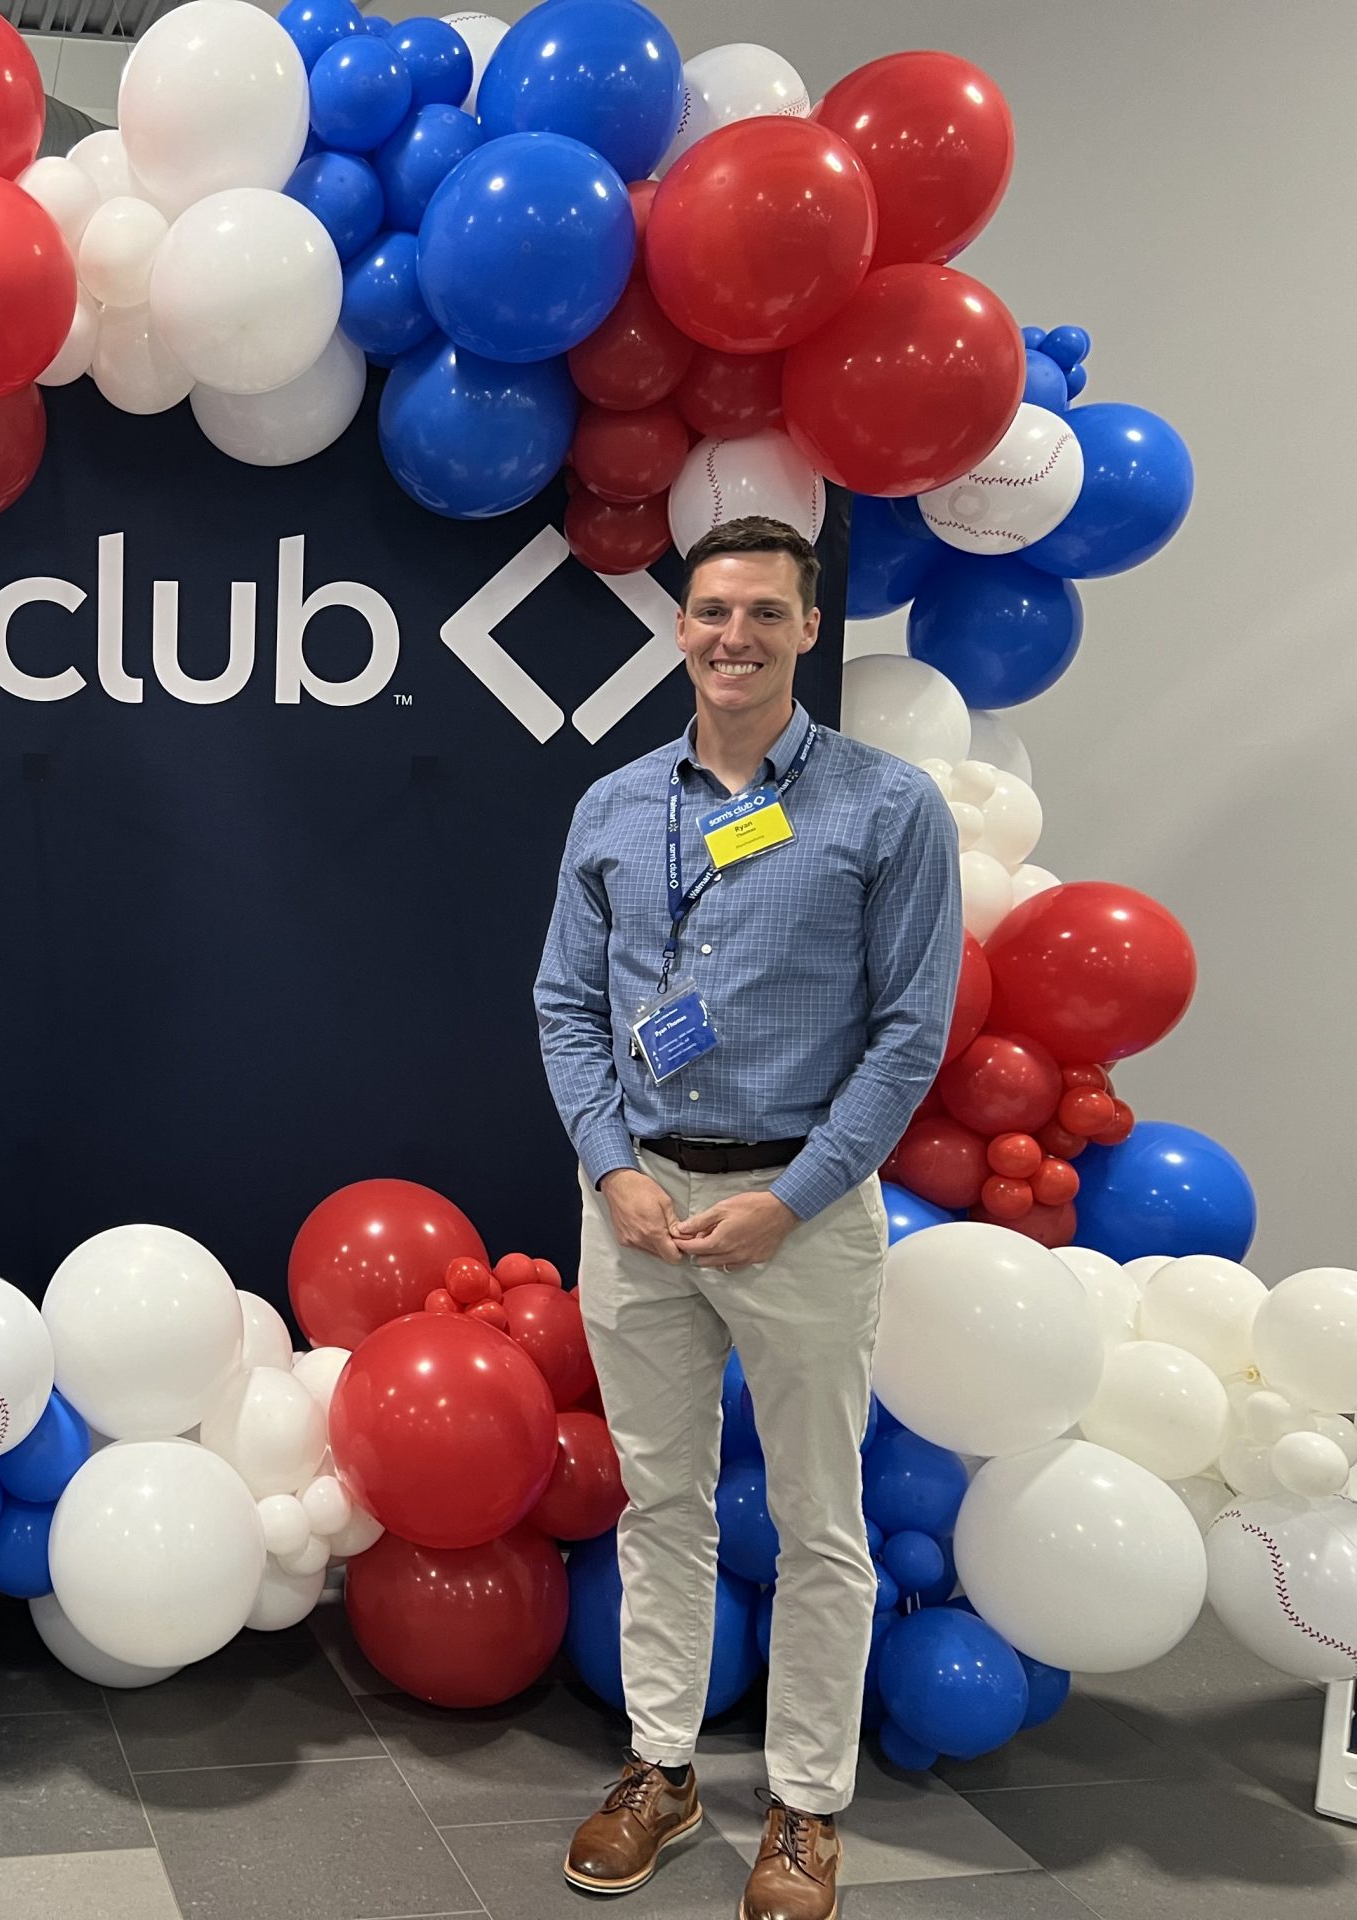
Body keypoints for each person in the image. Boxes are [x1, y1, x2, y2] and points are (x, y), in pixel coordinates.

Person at [532, 516, 962, 1920]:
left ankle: (806, 1807)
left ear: (807, 631)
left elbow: (909, 1034)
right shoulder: (613, 808)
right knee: (661, 1502)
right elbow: (566, 1008)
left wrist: (794, 1198)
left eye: (767, 613)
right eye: (715, 610)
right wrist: (613, 1170)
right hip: (638, 1207)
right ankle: (661, 1771)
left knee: (819, 1518)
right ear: (682, 627)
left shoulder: (887, 808)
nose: (736, 636)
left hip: (803, 1211)